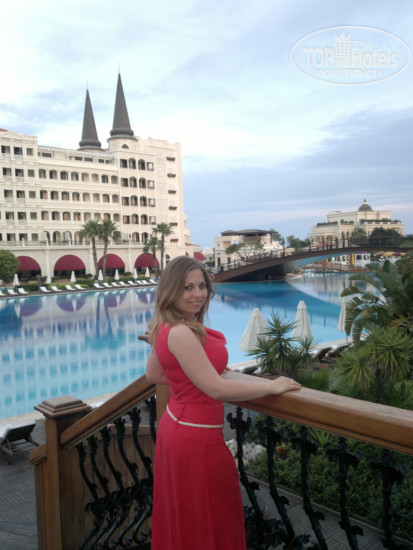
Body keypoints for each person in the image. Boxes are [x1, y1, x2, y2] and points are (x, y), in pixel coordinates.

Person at [146, 256, 301, 550]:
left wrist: (197, 371)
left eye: (201, 286)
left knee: (190, 515)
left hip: (177, 428)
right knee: (213, 515)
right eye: (187, 287)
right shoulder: (180, 332)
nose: (197, 294)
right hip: (196, 438)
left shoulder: (166, 325)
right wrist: (271, 386)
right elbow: (216, 389)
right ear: (171, 290)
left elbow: (153, 374)